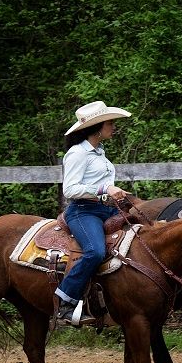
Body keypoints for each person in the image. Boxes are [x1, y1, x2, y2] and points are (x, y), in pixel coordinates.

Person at [56, 100, 132, 324]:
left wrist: (115, 196)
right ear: (97, 127)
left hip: (104, 210)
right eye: (110, 123)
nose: (113, 127)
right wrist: (104, 189)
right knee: (95, 252)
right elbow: (70, 189)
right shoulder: (77, 153)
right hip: (82, 212)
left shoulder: (99, 152)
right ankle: (65, 301)